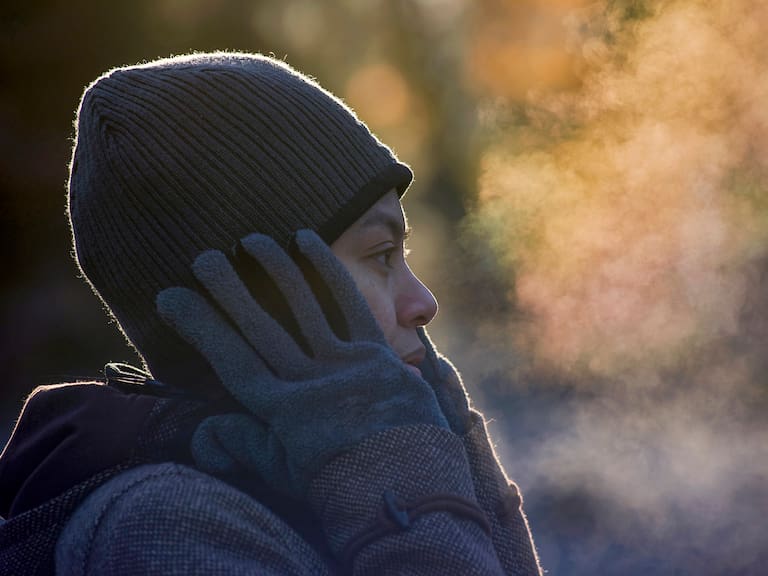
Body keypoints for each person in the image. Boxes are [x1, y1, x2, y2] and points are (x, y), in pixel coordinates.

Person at [0, 52, 542, 575]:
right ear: (258, 294)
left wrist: (452, 449)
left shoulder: (318, 471)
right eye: (381, 255)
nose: (424, 303)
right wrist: (406, 480)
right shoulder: (166, 527)